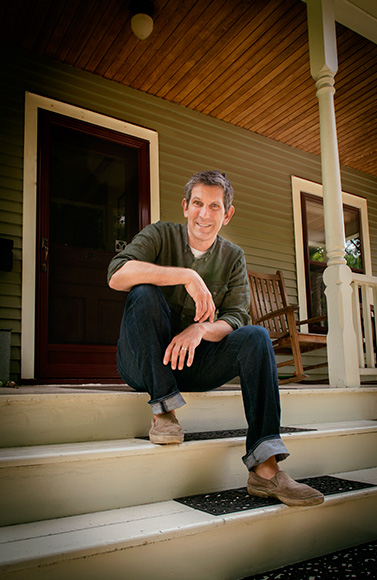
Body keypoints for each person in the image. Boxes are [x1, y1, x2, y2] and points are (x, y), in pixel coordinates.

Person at [108, 170, 324, 507]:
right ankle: (163, 410)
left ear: (227, 214)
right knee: (144, 291)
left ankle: (264, 468)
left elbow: (237, 317)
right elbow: (118, 275)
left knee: (256, 336)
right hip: (142, 365)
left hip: (195, 363)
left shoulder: (233, 256)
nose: (204, 215)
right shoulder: (160, 234)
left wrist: (200, 329)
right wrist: (186, 276)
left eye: (214, 206)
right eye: (197, 203)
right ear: (185, 206)